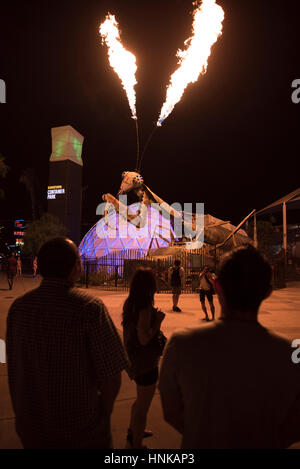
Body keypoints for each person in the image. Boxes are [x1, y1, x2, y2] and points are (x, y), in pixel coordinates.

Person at [159, 245, 300, 449]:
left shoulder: (181, 345)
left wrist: (204, 435)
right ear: (268, 292)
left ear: (217, 287)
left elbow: (171, 412)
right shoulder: (291, 354)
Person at [6, 237, 128, 449]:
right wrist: (102, 414)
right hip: (82, 432)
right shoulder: (89, 308)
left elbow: (14, 367)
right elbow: (112, 374)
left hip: (32, 428)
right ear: (76, 267)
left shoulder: (19, 308)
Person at [123, 268, 166, 449]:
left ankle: (134, 431)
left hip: (133, 359)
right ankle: (137, 445)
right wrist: (158, 321)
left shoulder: (130, 303)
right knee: (143, 406)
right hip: (145, 363)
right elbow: (145, 338)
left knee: (139, 400)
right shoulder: (145, 307)